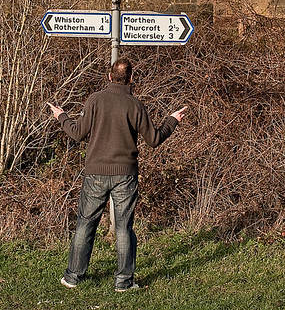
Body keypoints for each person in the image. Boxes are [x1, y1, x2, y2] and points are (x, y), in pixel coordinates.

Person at [48, 57, 187, 292]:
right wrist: (172, 121)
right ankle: (123, 282)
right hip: (126, 175)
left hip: (95, 172)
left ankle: (72, 277)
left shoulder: (95, 100)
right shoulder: (135, 105)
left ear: (110, 77)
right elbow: (154, 139)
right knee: (123, 228)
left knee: (85, 224)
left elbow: (77, 133)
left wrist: (62, 116)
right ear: (131, 79)